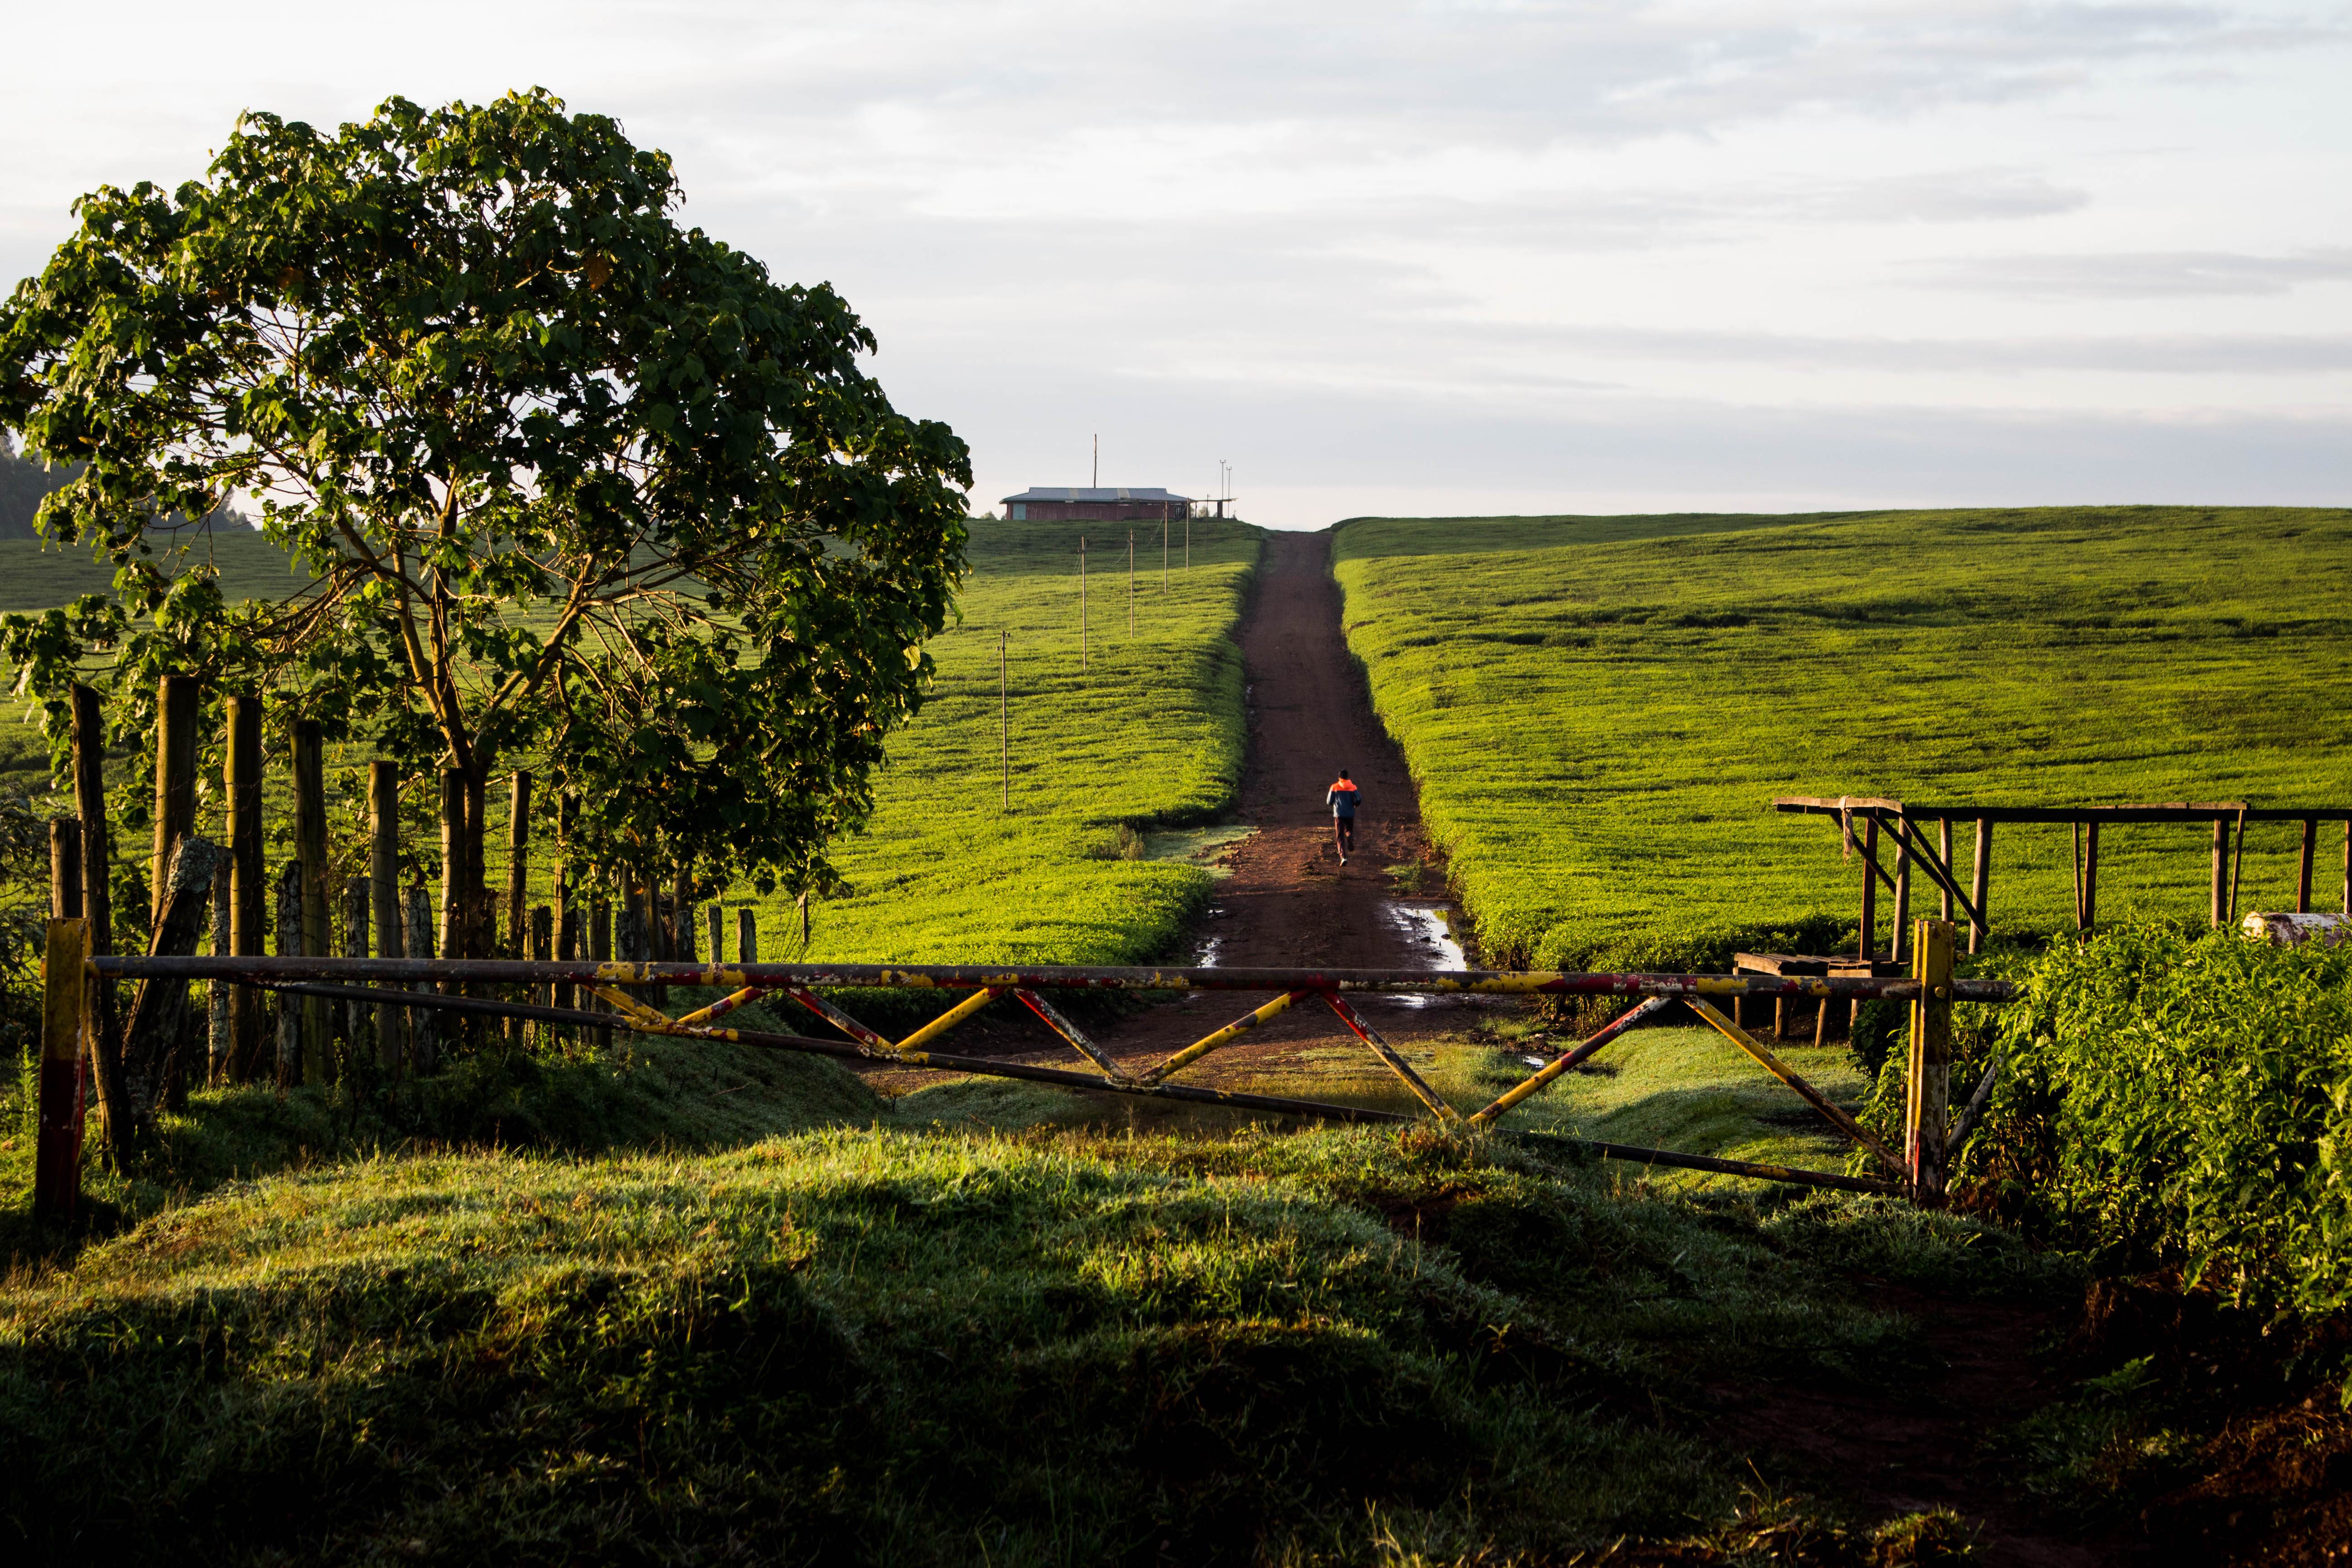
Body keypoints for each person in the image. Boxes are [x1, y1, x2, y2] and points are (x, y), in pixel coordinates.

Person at [1327, 770, 1359, 863]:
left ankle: (1343, 857)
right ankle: (1349, 836)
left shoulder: (1334, 787)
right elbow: (1359, 799)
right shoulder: (1353, 787)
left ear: (1340, 778)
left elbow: (1329, 801)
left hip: (1339, 815)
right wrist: (1355, 805)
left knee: (1340, 836)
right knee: (1349, 830)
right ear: (1347, 778)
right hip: (1350, 814)